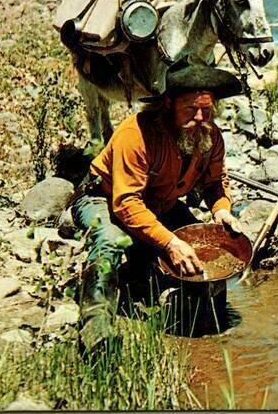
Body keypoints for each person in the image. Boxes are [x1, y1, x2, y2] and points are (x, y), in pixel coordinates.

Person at [71, 58, 244, 351]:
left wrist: (222, 210)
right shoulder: (134, 134)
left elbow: (215, 183)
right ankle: (96, 327)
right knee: (111, 240)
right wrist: (170, 243)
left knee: (208, 246)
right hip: (103, 199)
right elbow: (126, 203)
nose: (201, 117)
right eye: (191, 109)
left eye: (207, 109)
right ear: (168, 105)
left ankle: (205, 324)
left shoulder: (210, 136)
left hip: (157, 206)